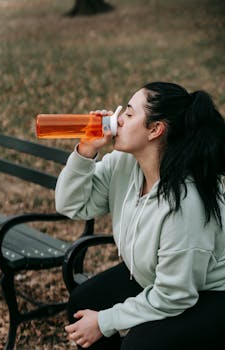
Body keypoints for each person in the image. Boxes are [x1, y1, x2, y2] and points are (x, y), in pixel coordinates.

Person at [55, 82, 225, 350]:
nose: (118, 119)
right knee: (84, 302)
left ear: (155, 130)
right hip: (156, 276)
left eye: (130, 114)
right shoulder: (124, 164)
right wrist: (85, 152)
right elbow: (71, 205)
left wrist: (104, 321)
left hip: (208, 294)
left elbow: (176, 294)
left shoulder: (185, 201)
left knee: (139, 345)